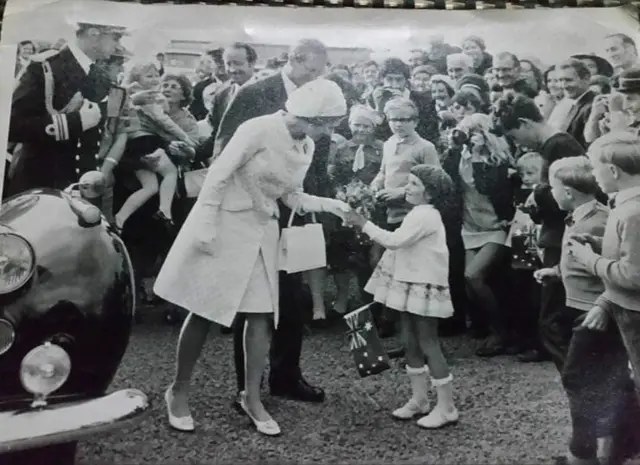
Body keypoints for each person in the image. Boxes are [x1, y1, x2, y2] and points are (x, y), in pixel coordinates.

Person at [155, 79, 350, 436]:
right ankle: (178, 391)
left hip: (263, 231)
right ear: (308, 115)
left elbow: (290, 194)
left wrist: (331, 205)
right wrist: (206, 223)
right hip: (224, 223)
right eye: (328, 124)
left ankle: (251, 396)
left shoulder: (305, 146)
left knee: (261, 316)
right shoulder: (258, 128)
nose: (329, 132)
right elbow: (218, 173)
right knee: (203, 310)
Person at [209, 38, 331, 407]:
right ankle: (247, 387)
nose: (315, 78)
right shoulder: (255, 93)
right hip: (256, 211)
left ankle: (286, 376)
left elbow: (318, 153)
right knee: (254, 301)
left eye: (319, 72)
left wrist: (319, 203)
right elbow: (223, 149)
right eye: (310, 70)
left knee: (294, 297)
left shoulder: (320, 94)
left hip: (298, 208)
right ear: (293, 60)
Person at [345, 164, 459, 429]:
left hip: (424, 284)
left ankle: (447, 407)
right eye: (408, 182)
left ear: (429, 194)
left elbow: (395, 241)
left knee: (428, 342)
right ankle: (419, 399)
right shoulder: (417, 212)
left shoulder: (426, 215)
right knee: (409, 339)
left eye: (414, 184)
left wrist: (363, 223)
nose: (407, 188)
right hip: (409, 282)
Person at [535, 156, 629, 465]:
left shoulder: (599, 220)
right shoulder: (577, 216)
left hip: (596, 313)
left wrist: (606, 306)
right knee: (595, 380)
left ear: (569, 192)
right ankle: (602, 449)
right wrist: (557, 271)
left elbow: (611, 267)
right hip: (580, 308)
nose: (551, 193)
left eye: (553, 187)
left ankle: (584, 453)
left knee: (580, 379)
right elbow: (578, 260)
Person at [493, 91, 587, 367]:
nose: (516, 143)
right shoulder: (552, 147)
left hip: (563, 240)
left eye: (513, 135)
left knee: (553, 322)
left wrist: (539, 197)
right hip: (555, 238)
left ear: (524, 123)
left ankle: (579, 384)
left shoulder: (559, 146)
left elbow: (574, 194)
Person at [6, 20, 127, 196]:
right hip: (40, 182)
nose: (118, 46)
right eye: (116, 37)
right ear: (94, 34)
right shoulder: (44, 67)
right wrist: (74, 122)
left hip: (78, 187)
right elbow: (11, 126)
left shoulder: (100, 76)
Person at [109, 61, 198, 232]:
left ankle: (120, 219)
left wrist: (187, 147)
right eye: (165, 84)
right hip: (145, 142)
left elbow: (193, 151)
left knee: (150, 187)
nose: (165, 87)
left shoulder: (187, 118)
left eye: (174, 86)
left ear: (184, 95)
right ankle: (165, 210)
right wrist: (185, 139)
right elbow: (164, 122)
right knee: (169, 173)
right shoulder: (147, 97)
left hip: (135, 147)